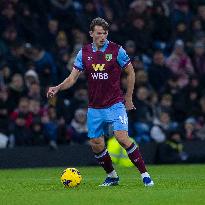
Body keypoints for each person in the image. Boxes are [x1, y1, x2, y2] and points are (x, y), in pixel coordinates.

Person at [47, 17, 154, 187]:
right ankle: (112, 176)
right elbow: (72, 78)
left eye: (105, 33)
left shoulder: (117, 50)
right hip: (95, 107)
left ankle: (145, 175)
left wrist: (128, 97)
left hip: (115, 103)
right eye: (99, 33)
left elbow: (131, 72)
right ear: (91, 34)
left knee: (122, 137)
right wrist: (58, 87)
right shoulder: (84, 53)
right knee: (96, 144)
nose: (102, 36)